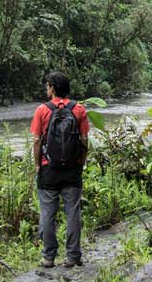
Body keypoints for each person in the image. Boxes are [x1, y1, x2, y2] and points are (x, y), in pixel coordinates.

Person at [30, 71, 89, 268]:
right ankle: (73, 256)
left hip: (49, 170)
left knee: (48, 213)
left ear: (53, 88)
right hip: (72, 170)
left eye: (48, 85)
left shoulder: (42, 110)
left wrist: (38, 165)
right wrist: (80, 163)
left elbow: (37, 141)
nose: (46, 88)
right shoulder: (79, 109)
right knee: (73, 212)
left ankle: (48, 257)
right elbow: (84, 140)